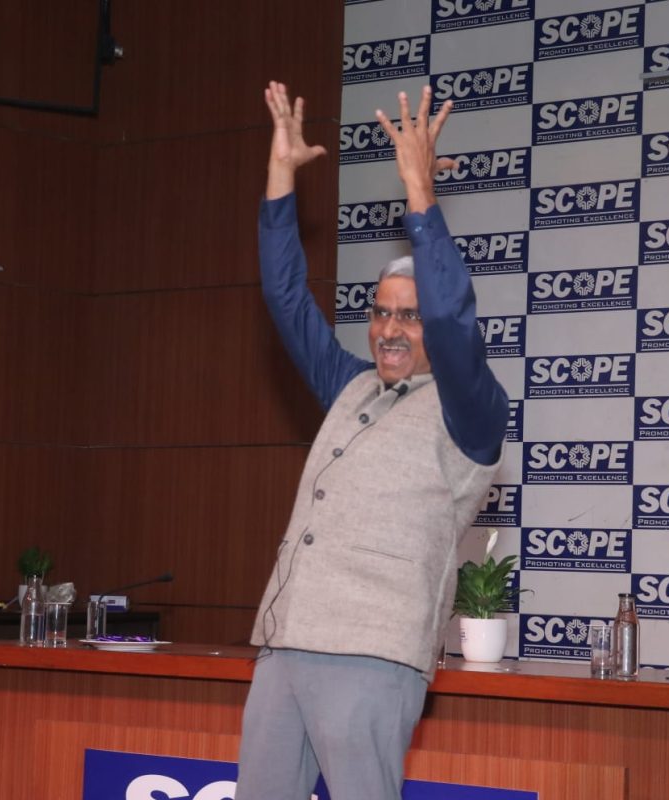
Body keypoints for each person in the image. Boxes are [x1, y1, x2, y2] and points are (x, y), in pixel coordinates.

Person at [236, 81, 509, 799]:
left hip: (373, 653)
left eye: (408, 317)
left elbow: (452, 317)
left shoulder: (470, 408)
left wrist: (419, 192)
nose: (390, 330)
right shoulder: (349, 384)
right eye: (381, 312)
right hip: (286, 639)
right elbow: (285, 297)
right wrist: (281, 177)